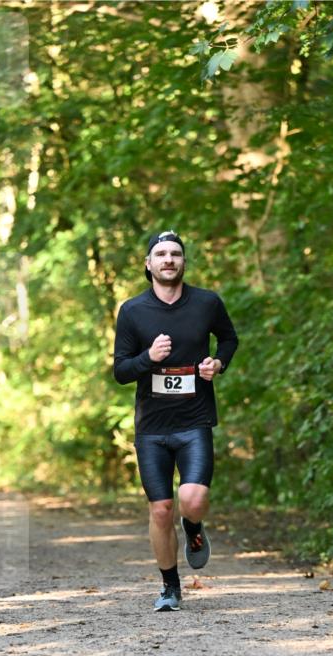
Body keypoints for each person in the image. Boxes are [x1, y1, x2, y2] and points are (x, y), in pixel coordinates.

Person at [113, 230, 239, 611]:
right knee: (161, 508)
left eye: (176, 254)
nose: (169, 260)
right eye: (161, 254)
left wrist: (217, 363)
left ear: (184, 262)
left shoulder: (206, 303)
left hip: (195, 419)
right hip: (151, 427)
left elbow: (229, 340)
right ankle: (170, 586)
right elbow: (121, 371)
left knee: (192, 498)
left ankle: (194, 528)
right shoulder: (133, 311)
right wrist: (149, 357)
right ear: (148, 264)